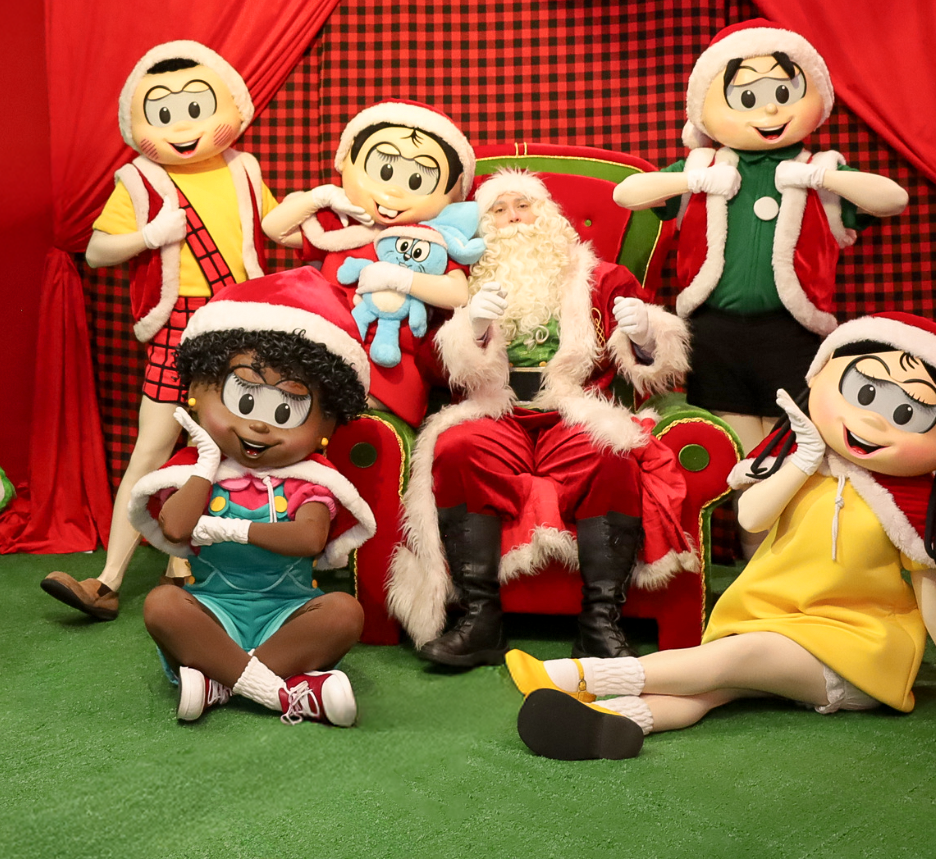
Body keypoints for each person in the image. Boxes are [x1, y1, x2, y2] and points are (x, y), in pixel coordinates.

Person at [505, 313, 936, 760]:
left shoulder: (908, 509)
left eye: (907, 412)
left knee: (730, 660)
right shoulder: (801, 468)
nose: (875, 421)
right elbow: (751, 519)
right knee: (710, 688)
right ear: (819, 378)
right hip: (776, 627)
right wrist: (802, 460)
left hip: (854, 656)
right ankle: (616, 722)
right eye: (864, 392)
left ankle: (573, 675)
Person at [388, 170, 693, 668]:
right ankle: (480, 620)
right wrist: (472, 329)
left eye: (523, 206)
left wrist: (644, 337)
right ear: (482, 225)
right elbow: (431, 366)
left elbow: (653, 363)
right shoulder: (459, 283)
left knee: (612, 457)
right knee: (456, 449)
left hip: (572, 410)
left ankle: (600, 623)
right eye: (499, 210)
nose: (513, 218)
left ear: (547, 214)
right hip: (495, 411)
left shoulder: (601, 277)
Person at [43, 41, 293, 621]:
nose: (183, 126)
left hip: (243, 319)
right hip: (178, 324)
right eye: (163, 113)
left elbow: (277, 226)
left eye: (197, 107)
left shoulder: (244, 168)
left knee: (244, 446)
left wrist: (331, 211)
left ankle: (225, 571)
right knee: (154, 447)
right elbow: (98, 252)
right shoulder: (138, 179)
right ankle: (107, 582)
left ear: (232, 106)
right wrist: (151, 235)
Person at [612, 20, 908, 476]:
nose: (769, 110)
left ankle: (782, 520)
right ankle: (748, 524)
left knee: (789, 443)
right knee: (735, 448)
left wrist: (819, 177)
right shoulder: (703, 165)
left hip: (792, 332)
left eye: (784, 93)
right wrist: (694, 180)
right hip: (715, 332)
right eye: (748, 98)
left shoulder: (822, 169)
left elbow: (894, 199)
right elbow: (627, 193)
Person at [131, 269, 378, 726]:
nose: (260, 425)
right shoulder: (197, 468)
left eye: (287, 410)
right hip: (213, 614)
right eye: (244, 400)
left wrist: (232, 529)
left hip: (288, 616)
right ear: (197, 389)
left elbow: (309, 539)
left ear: (326, 424)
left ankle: (219, 682)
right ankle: (283, 693)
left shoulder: (309, 479)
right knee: (162, 604)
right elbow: (176, 528)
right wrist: (207, 462)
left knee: (344, 612)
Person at [261, 99, 479, 427]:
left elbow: (458, 293)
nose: (393, 191)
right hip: (321, 354)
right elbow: (274, 228)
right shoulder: (341, 224)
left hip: (390, 368)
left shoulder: (432, 239)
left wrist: (400, 279)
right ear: (346, 160)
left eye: (416, 181)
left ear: (454, 192)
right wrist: (320, 197)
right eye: (385, 171)